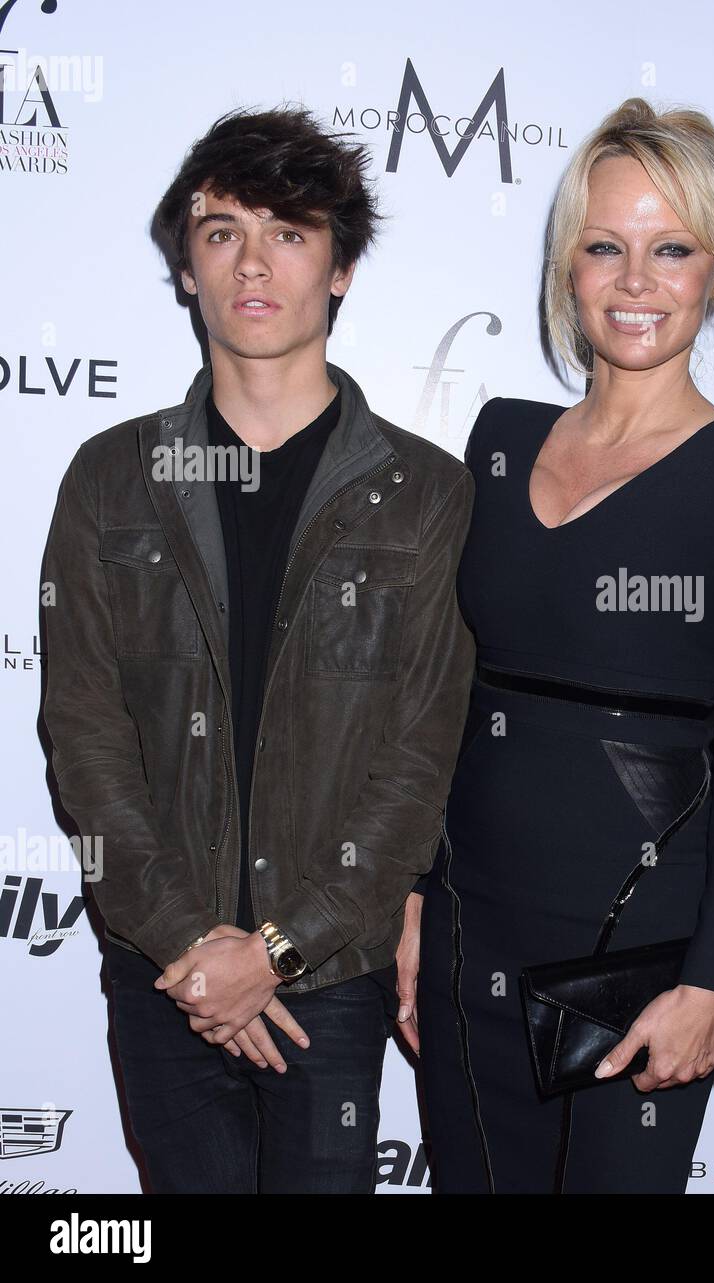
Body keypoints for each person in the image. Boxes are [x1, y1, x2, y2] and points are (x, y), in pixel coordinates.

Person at [39, 105, 476, 1194]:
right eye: (222, 229)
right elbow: (83, 731)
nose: (253, 260)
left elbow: (421, 756)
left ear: (341, 268)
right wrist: (196, 948)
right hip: (160, 969)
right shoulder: (111, 478)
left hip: (330, 976)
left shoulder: (425, 494)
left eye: (290, 230)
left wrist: (273, 952)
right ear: (184, 268)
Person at [394, 97, 714, 1194]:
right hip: (464, 928)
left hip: (645, 952)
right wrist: (408, 902)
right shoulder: (498, 439)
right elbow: (441, 697)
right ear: (567, 268)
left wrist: (712, 975)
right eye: (605, 248)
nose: (636, 281)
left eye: (671, 249)